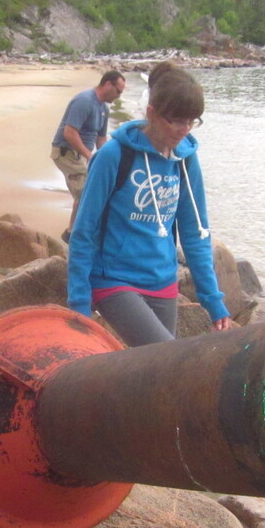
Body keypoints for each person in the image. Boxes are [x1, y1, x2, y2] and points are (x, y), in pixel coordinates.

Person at [66, 63, 235, 347]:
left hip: (163, 281)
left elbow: (195, 233)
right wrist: (79, 301)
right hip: (114, 281)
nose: (184, 130)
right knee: (166, 359)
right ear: (152, 113)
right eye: (176, 120)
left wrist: (212, 299)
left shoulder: (185, 160)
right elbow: (85, 230)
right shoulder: (113, 156)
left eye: (192, 121)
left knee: (154, 376)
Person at [50, 70, 126, 241]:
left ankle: (78, 231)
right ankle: (72, 234)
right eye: (118, 91)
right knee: (86, 191)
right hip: (65, 152)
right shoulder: (84, 101)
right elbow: (70, 133)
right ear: (108, 84)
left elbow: (101, 140)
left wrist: (111, 161)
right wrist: (90, 157)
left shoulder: (104, 109)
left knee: (101, 185)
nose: (119, 96)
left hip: (81, 155)